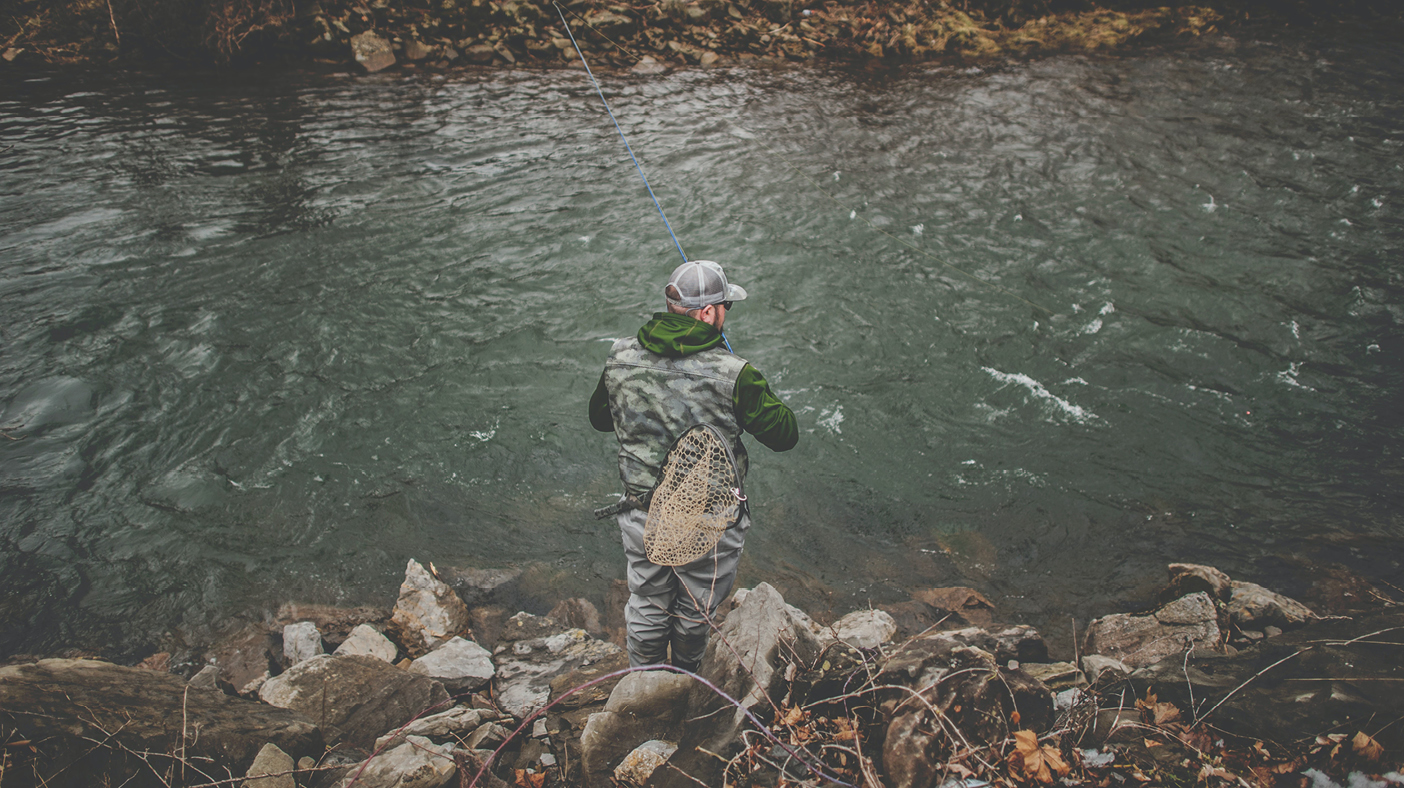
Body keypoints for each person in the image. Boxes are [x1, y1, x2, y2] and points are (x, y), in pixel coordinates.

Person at [589, 259, 798, 671]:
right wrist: (742, 379)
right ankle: (687, 680)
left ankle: (645, 682)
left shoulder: (620, 356)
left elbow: (599, 418)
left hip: (640, 512)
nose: (726, 314)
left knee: (648, 600)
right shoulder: (737, 375)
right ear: (707, 314)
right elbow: (785, 435)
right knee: (695, 609)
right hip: (709, 520)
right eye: (725, 307)